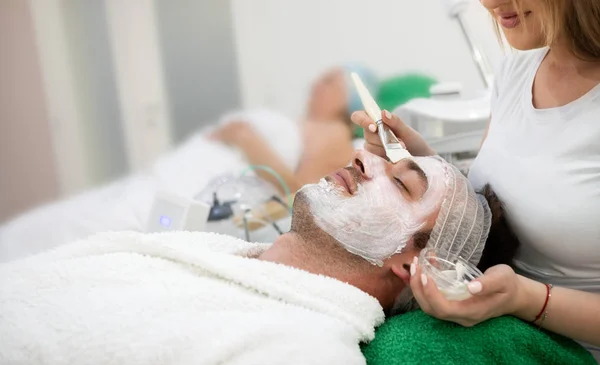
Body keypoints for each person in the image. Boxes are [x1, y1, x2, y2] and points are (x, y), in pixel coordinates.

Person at [0, 150, 500, 365]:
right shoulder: (215, 254)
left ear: (412, 266)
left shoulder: (300, 351)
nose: (363, 159)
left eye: (399, 181)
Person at [352, 0, 600, 360]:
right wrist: (417, 160)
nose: (489, 3)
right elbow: (502, 197)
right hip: (510, 323)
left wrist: (528, 298)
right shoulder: (519, 68)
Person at [211, 65, 380, 194]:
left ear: (349, 97)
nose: (315, 84)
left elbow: (300, 194)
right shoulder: (309, 125)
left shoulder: (333, 131)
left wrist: (245, 137)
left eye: (327, 81)